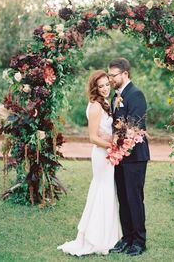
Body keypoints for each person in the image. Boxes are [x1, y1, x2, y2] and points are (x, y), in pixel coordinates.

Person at [57, 70, 122, 256]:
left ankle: (110, 235)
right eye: (100, 86)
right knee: (102, 190)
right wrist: (113, 145)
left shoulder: (106, 103)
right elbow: (93, 138)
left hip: (108, 152)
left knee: (109, 191)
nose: (104, 89)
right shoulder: (95, 107)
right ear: (95, 88)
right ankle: (97, 238)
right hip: (102, 154)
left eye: (107, 85)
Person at [108, 58, 150, 257]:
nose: (110, 79)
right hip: (119, 157)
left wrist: (118, 140)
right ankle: (127, 237)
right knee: (123, 198)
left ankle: (139, 241)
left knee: (134, 198)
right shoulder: (115, 96)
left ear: (125, 74)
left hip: (135, 157)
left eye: (113, 75)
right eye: (109, 75)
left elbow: (135, 126)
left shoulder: (136, 94)